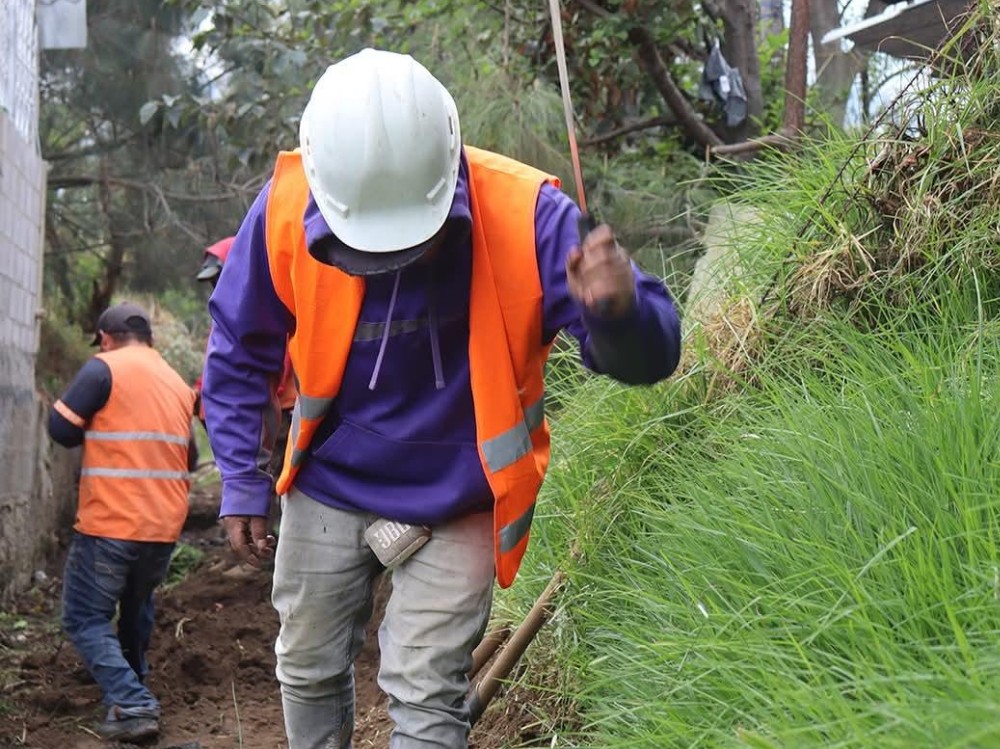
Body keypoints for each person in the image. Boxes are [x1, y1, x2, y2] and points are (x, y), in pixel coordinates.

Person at [201, 48, 682, 749]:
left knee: (427, 691)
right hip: (331, 480)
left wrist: (617, 312)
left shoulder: (528, 216)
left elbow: (656, 357)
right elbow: (240, 346)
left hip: (461, 493)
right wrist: (242, 481)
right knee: (305, 666)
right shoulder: (286, 203)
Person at [48, 301, 198, 743]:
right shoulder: (176, 382)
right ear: (150, 338)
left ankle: (132, 703)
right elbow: (189, 456)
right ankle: (130, 685)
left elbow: (60, 428)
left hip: (111, 522)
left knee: (84, 617)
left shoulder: (105, 367)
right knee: (136, 608)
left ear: (106, 339)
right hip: (163, 526)